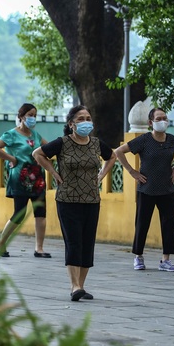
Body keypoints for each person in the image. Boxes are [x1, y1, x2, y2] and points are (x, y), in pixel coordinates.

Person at [32, 105, 116, 301]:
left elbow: (112, 156)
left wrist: (102, 174)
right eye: (80, 119)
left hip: (92, 199)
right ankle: (74, 285)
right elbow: (38, 154)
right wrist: (53, 172)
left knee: (87, 243)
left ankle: (82, 286)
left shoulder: (96, 143)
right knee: (73, 242)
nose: (86, 121)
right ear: (71, 124)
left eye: (88, 118)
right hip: (67, 199)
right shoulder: (62, 143)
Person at [114, 108, 174, 272]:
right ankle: (138, 257)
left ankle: (165, 260)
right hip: (146, 189)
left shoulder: (171, 140)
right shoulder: (144, 140)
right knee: (142, 223)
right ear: (150, 123)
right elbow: (119, 152)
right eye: (158, 118)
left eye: (164, 118)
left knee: (169, 224)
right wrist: (132, 171)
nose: (162, 121)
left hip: (167, 189)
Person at [0, 103, 50, 258]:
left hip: (37, 178)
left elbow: (48, 147)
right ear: (21, 116)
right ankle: (1, 243)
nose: (33, 118)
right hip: (20, 178)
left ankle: (39, 248)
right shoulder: (11, 134)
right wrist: (11, 158)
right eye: (30, 115)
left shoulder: (35, 135)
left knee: (41, 213)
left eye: (35, 115)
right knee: (19, 213)